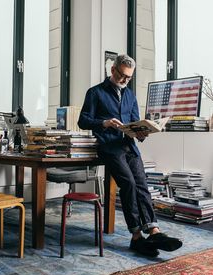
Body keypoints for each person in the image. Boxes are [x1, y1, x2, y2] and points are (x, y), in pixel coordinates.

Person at [78, 54, 182, 257]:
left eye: (129, 77)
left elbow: (135, 122)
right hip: (108, 147)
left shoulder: (131, 96)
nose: (125, 80)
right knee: (129, 184)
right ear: (113, 70)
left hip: (129, 146)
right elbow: (83, 121)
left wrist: (142, 132)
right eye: (123, 75)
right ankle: (136, 236)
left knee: (142, 183)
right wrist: (104, 123)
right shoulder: (95, 92)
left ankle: (154, 231)